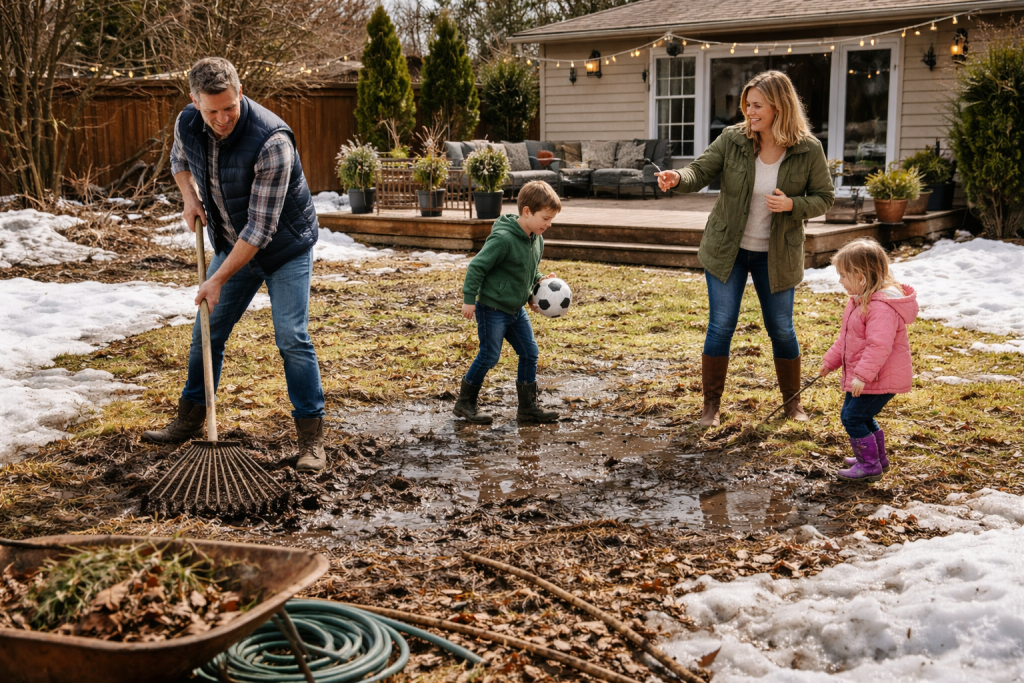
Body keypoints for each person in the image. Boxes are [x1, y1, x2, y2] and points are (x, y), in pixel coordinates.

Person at [142, 57, 328, 472]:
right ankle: (188, 421)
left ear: (240, 92)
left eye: (230, 106)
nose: (223, 118)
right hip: (232, 240)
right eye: (212, 111)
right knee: (206, 332)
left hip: (284, 250)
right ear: (195, 101)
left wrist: (218, 279)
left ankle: (312, 441)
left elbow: (261, 231)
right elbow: (179, 162)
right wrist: (190, 198)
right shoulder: (188, 123)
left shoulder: (272, 141)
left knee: (291, 337)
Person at [657, 70, 835, 428]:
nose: (749, 112)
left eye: (757, 106)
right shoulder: (733, 139)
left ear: (778, 107)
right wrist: (678, 178)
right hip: (729, 248)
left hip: (777, 253)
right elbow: (700, 170)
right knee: (721, 325)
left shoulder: (808, 149)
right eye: (747, 105)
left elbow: (825, 198)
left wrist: (793, 206)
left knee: (782, 328)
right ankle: (710, 407)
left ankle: (792, 405)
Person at [454, 180, 561, 425]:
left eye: (551, 219)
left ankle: (528, 407)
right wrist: (469, 300)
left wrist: (537, 285)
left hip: (516, 309)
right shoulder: (502, 238)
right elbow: (477, 267)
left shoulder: (536, 238)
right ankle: (465, 403)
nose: (549, 224)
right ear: (526, 212)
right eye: (545, 218)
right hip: (492, 308)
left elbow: (528, 270)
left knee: (529, 352)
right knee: (490, 356)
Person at [819, 238, 918, 482]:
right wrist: (830, 362)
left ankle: (869, 464)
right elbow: (845, 339)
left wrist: (861, 375)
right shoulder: (859, 301)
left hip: (875, 377)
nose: (840, 281)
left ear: (861, 277)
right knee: (858, 415)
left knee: (851, 417)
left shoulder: (880, 307)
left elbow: (879, 346)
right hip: (866, 376)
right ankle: (877, 458)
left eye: (843, 275)